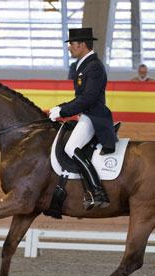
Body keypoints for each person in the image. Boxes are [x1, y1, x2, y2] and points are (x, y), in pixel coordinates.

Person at [48, 27, 117, 210]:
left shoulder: (94, 66)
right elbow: (80, 98)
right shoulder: (84, 65)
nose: (69, 47)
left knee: (71, 147)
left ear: (83, 45)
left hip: (94, 116)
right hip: (86, 113)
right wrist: (61, 107)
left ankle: (97, 191)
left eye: (72, 44)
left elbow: (88, 98)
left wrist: (63, 113)